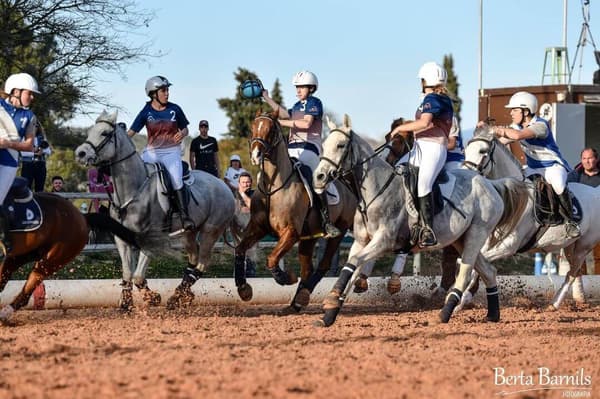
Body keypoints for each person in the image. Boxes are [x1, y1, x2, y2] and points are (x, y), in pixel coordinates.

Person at [261, 70, 340, 238]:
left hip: (310, 148)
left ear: (311, 88)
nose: (298, 90)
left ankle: (326, 221)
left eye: (302, 87)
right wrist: (267, 98)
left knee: (315, 181)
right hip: (291, 147)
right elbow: (283, 113)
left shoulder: (314, 102)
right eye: (297, 87)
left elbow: (306, 123)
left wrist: (280, 122)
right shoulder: (297, 106)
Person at [491, 91, 579, 238]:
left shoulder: (540, 125)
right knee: (515, 183)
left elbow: (517, 136)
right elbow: (503, 142)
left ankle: (571, 222)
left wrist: (497, 129)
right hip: (533, 168)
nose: (511, 112)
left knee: (558, 185)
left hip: (552, 167)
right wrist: (486, 135)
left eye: (515, 109)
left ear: (526, 111)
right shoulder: (516, 126)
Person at [390, 62, 453, 247]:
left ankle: (428, 230)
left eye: (422, 79)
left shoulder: (434, 98)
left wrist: (401, 128)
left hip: (433, 148)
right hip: (419, 147)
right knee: (397, 170)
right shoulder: (432, 98)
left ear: (427, 80)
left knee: (424, 184)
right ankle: (411, 218)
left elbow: (424, 123)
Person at [127, 75, 194, 232]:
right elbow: (131, 132)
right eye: (164, 90)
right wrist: (118, 138)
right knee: (137, 174)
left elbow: (185, 128)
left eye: (167, 90)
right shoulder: (146, 111)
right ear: (153, 93)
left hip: (171, 152)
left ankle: (185, 217)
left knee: (177, 180)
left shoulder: (175, 108)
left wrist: (182, 134)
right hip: (151, 152)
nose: (167, 93)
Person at [0, 72, 39, 257]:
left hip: (8, 163)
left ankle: (4, 241)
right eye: (29, 93)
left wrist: (8, 144)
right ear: (16, 91)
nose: (31, 97)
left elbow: (29, 146)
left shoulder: (30, 116)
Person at [567, 147, 600, 273]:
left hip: (598, 223)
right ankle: (580, 283)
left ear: (596, 159)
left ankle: (598, 285)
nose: (587, 161)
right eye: (584, 158)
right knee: (577, 257)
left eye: (590, 158)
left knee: (599, 256)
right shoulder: (574, 176)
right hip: (581, 222)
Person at [20, 121, 51, 192]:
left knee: (40, 188)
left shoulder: (42, 138)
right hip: (28, 165)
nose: (34, 127)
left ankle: (39, 202)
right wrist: (34, 152)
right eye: (32, 126)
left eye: (36, 126)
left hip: (40, 164)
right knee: (26, 187)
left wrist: (42, 151)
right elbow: (22, 152)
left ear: (38, 127)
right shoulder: (24, 138)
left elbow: (49, 151)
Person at [236, 172, 256, 277]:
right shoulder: (234, 195)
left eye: (248, 182)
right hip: (237, 232)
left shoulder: (255, 194)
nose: (246, 184)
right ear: (239, 184)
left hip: (251, 232)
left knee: (251, 254)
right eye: (243, 182)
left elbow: (252, 206)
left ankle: (251, 276)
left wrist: (243, 194)